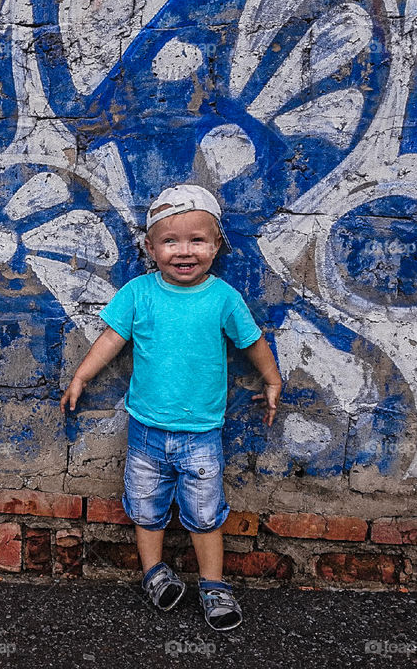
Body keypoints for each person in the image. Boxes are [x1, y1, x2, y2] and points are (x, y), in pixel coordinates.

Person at [59, 184, 281, 631]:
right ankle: (154, 574)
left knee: (204, 513)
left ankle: (214, 585)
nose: (184, 251)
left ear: (216, 245)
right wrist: (82, 376)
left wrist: (273, 379)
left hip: (201, 434)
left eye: (197, 240)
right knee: (145, 507)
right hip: (145, 432)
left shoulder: (223, 299)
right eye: (170, 241)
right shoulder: (140, 293)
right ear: (150, 247)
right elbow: (110, 340)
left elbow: (252, 341)